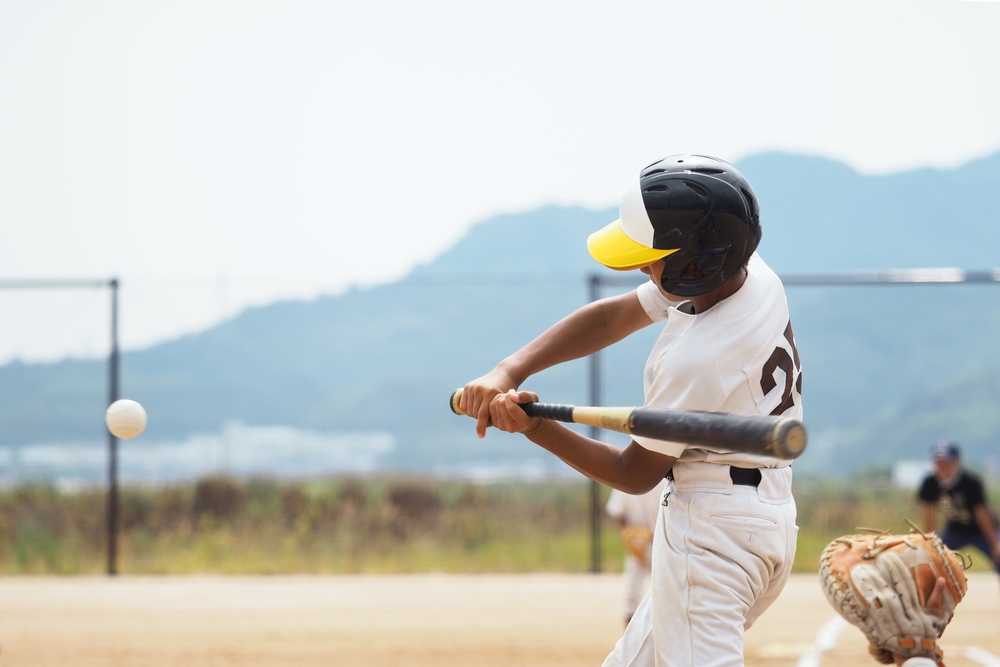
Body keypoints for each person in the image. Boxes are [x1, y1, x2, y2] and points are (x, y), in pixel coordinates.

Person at [459, 154, 803, 667]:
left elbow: (633, 472)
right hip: (762, 516)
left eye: (653, 256)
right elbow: (610, 317)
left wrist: (535, 428)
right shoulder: (750, 276)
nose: (643, 264)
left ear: (699, 263)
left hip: (713, 538)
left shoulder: (699, 358)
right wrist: (510, 371)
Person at [918, 440, 1000, 583]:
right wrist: (928, 542)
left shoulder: (970, 482)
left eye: (945, 462)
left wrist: (994, 544)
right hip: (955, 530)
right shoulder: (930, 483)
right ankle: (929, 596)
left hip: (981, 530)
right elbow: (929, 515)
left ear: (956, 462)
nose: (941, 466)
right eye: (938, 462)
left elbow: (982, 514)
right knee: (930, 557)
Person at [605, 480, 667, 630]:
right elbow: (617, 513)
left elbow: (616, 512)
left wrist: (627, 532)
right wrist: (628, 533)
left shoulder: (629, 476)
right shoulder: (662, 475)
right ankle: (629, 637)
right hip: (642, 543)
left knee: (665, 592)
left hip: (663, 541)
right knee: (632, 594)